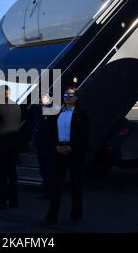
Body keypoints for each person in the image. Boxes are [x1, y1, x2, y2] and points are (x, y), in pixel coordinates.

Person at [40, 87, 90, 226]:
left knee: (76, 185)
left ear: (76, 98)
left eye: (71, 95)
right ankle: (52, 215)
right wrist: (56, 146)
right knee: (56, 185)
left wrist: (72, 147)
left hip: (75, 153)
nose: (68, 97)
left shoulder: (82, 114)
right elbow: (50, 132)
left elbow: (85, 135)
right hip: (59, 151)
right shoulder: (57, 112)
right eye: (66, 95)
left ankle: (76, 215)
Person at [0, 85, 22, 210]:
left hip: (0, 146)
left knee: (1, 175)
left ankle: (2, 202)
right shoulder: (17, 106)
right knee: (12, 174)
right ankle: (14, 200)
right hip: (13, 145)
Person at [32, 94, 56, 200]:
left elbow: (53, 128)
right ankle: (46, 192)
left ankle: (52, 192)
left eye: (44, 96)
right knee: (43, 169)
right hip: (40, 143)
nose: (41, 98)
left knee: (50, 169)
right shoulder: (38, 109)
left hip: (49, 144)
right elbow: (36, 125)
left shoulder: (53, 109)